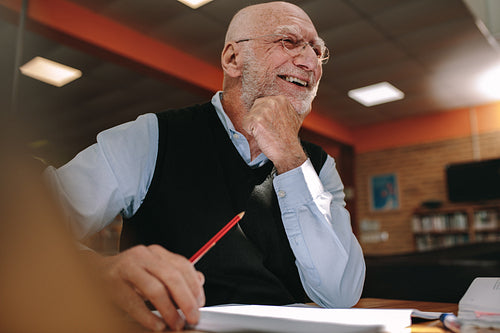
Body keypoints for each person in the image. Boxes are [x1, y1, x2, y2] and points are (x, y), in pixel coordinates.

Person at [44, 1, 366, 331]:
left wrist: (291, 159)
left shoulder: (319, 166)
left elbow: (341, 294)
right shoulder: (151, 138)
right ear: (232, 59)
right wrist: (99, 272)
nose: (310, 61)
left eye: (317, 50)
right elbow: (27, 224)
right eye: (289, 41)